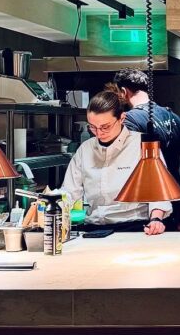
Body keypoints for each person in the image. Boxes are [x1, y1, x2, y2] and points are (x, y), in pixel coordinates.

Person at [61, 87, 171, 235]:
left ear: (122, 118)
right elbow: (69, 193)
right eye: (93, 127)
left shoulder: (143, 145)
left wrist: (156, 219)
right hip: (93, 228)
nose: (99, 133)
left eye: (105, 127)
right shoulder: (85, 149)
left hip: (133, 228)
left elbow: (158, 192)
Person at [113, 68, 180, 221]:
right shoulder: (171, 116)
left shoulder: (129, 120)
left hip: (147, 209)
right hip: (174, 200)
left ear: (124, 92)